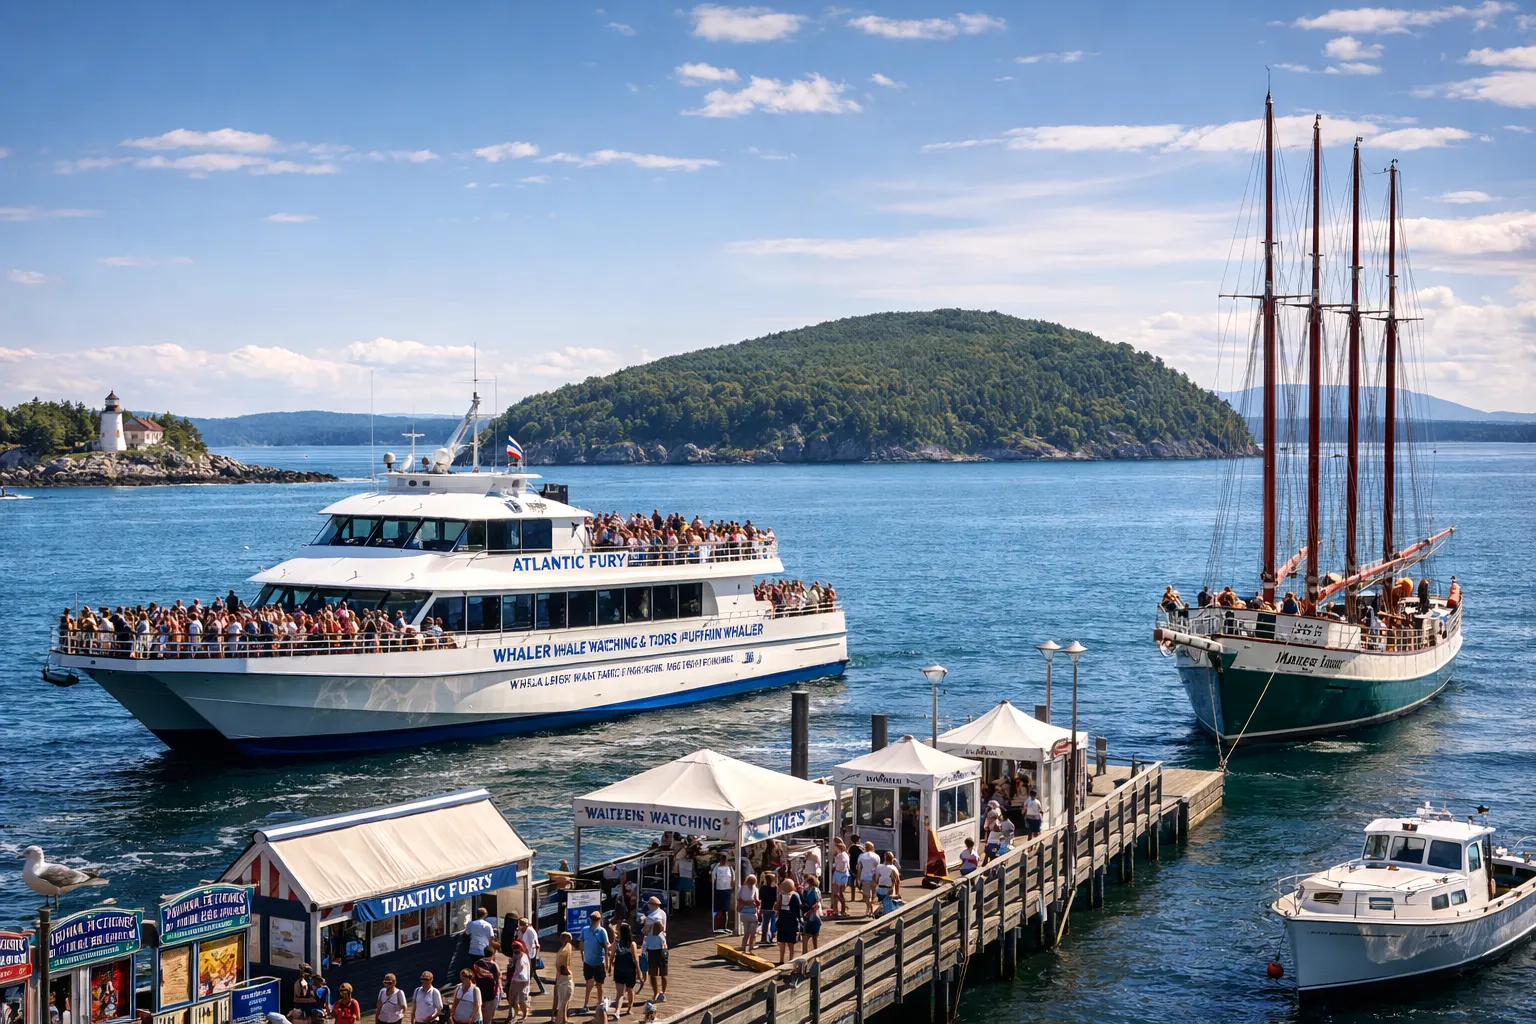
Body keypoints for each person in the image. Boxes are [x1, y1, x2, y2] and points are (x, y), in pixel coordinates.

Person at [580, 910, 610, 1015]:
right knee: (596, 985)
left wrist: (582, 956)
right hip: (595, 962)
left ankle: (591, 1004)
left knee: (593, 985)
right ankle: (594, 1004)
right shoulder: (601, 931)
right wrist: (608, 964)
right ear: (600, 920)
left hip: (593, 962)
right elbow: (607, 948)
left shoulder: (588, 930)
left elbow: (581, 945)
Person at [642, 897, 669, 1004]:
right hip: (663, 945)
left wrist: (643, 923)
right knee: (664, 973)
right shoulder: (663, 914)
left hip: (653, 947)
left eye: (649, 904)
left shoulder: (651, 917)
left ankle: (655, 993)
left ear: (652, 905)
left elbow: (645, 931)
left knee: (652, 973)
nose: (648, 905)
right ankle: (663, 993)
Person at [610, 922, 640, 1016]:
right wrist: (639, 971)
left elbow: (611, 956)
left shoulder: (616, 943)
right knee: (630, 990)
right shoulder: (632, 944)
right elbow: (635, 958)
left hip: (618, 969)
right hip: (630, 970)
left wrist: (610, 967)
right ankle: (629, 1009)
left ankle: (617, 1011)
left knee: (619, 993)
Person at [774, 878, 801, 965]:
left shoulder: (781, 896)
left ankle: (781, 959)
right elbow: (798, 909)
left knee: (782, 941)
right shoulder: (796, 895)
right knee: (791, 942)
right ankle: (791, 959)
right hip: (792, 919)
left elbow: (776, 907)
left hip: (783, 918)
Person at [472, 943, 501, 1024]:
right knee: (488, 1019)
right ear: (492, 954)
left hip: (479, 995)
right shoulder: (494, 965)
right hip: (491, 995)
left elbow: (474, 979)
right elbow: (497, 980)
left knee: (480, 1017)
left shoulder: (476, 964)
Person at [710, 852, 736, 934]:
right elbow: (713, 877)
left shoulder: (729, 867)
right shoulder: (716, 866)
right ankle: (718, 925)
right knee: (720, 907)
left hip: (727, 889)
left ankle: (724, 926)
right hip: (719, 889)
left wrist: (732, 885)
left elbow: (733, 877)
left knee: (726, 909)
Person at [518, 917, 544, 996]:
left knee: (531, 972)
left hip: (531, 954)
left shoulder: (531, 931)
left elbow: (536, 944)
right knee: (532, 973)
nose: (521, 927)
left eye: (522, 926)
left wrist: (536, 955)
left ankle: (528, 989)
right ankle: (541, 989)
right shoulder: (521, 931)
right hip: (525, 954)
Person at [505, 940, 530, 1023]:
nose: (515, 950)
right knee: (512, 999)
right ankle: (515, 1014)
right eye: (513, 948)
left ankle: (524, 1014)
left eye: (516, 948)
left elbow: (519, 969)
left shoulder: (522, 959)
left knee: (522, 1001)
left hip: (522, 981)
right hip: (514, 979)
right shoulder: (516, 956)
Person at [552, 933, 575, 1024]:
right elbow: (562, 967)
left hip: (560, 977)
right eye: (569, 937)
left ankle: (564, 1019)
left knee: (562, 1000)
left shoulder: (565, 948)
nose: (571, 938)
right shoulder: (564, 951)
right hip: (564, 977)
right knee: (565, 998)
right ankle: (559, 1019)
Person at [800, 875, 822, 953]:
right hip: (811, 915)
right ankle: (813, 953)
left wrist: (810, 911)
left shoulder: (815, 891)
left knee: (807, 936)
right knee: (813, 936)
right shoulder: (806, 891)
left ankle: (805, 954)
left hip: (813, 915)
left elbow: (816, 903)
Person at [856, 842, 880, 914]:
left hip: (865, 877)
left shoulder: (861, 856)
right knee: (874, 895)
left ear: (865, 848)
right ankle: (872, 908)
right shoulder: (876, 856)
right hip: (874, 877)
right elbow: (878, 868)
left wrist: (858, 878)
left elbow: (859, 868)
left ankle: (868, 908)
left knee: (866, 895)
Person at [830, 838, 851, 918]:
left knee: (836, 894)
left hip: (838, 874)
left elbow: (836, 866)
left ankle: (839, 909)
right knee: (841, 893)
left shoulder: (839, 856)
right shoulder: (846, 855)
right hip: (845, 874)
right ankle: (842, 909)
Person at [756, 870, 777, 947]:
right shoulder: (775, 888)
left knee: (765, 923)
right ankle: (770, 937)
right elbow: (776, 898)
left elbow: (760, 897)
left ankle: (764, 938)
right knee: (772, 923)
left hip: (764, 908)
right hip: (772, 908)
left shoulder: (763, 888)